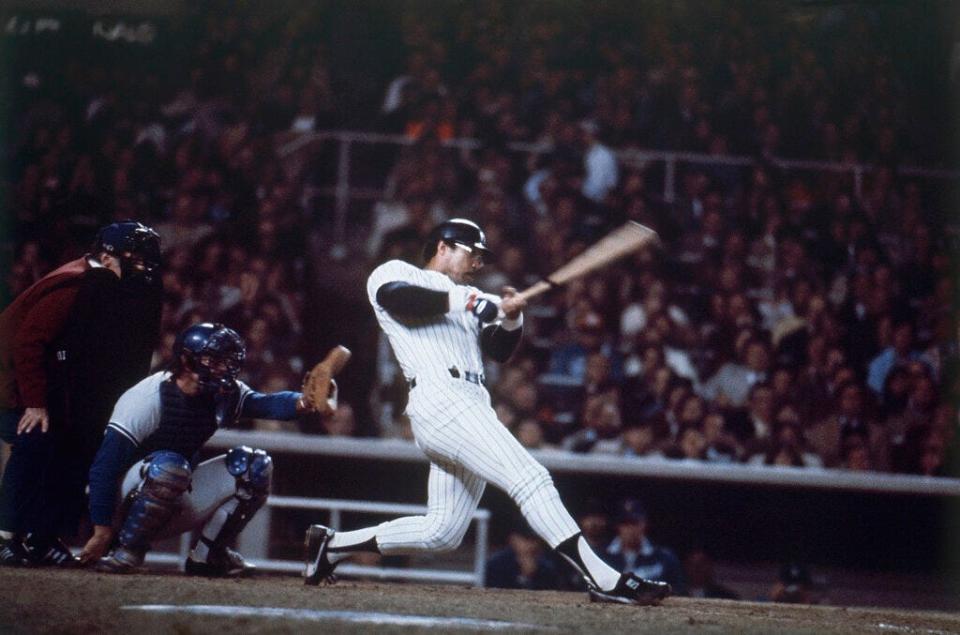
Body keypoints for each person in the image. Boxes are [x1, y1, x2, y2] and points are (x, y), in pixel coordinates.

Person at [304, 218, 670, 606]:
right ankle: (603, 577)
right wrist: (471, 301)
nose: (478, 263)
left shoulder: (469, 298)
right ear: (443, 246)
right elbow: (399, 299)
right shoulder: (398, 272)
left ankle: (329, 545)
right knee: (531, 479)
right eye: (472, 253)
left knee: (442, 532)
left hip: (471, 403)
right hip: (441, 399)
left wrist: (510, 317)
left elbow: (498, 350)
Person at [78, 323, 329, 576]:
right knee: (171, 466)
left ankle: (209, 555)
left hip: (172, 484)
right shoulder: (148, 397)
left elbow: (265, 404)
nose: (224, 368)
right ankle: (127, 550)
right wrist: (102, 528)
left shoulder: (222, 393)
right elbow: (104, 466)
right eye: (214, 360)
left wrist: (303, 401)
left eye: (228, 361)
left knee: (254, 466)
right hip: (122, 502)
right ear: (187, 360)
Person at [0, 221, 162, 567]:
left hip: (32, 384)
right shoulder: (73, 286)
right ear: (106, 256)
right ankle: (5, 534)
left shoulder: (100, 284)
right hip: (11, 386)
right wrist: (36, 403)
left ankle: (42, 537)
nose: (142, 268)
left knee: (70, 444)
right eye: (133, 260)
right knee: (35, 439)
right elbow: (28, 345)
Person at [604, 499, 687, 596]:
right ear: (617, 526)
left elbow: (678, 592)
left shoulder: (665, 559)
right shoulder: (603, 557)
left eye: (634, 523)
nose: (630, 529)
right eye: (625, 523)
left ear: (644, 524)